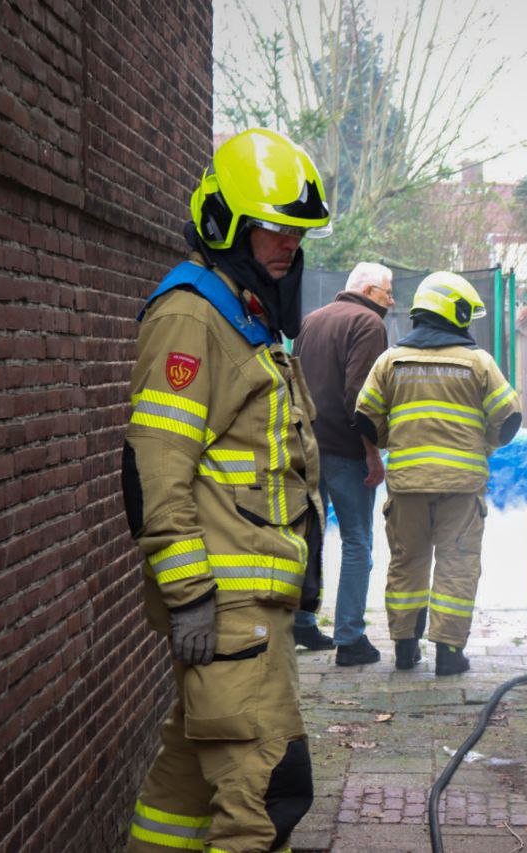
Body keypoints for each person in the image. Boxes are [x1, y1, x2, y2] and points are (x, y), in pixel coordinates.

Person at [120, 127, 330, 852]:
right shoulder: (192, 315)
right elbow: (155, 470)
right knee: (264, 800)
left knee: (183, 793)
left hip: (243, 612)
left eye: (297, 232)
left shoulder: (242, 318)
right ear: (226, 223)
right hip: (226, 611)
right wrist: (191, 596)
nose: (288, 245)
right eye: (274, 226)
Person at [354, 271, 521, 676]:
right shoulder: (478, 362)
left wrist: (393, 440)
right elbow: (510, 416)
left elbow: (364, 415)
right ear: (454, 312)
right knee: (457, 564)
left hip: (408, 484)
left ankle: (405, 649)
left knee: (407, 563)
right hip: (461, 489)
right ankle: (449, 653)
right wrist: (485, 444)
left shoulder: (391, 360)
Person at [291, 262, 394, 662]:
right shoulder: (369, 324)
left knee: (309, 535)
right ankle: (350, 638)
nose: (391, 300)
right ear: (368, 291)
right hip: (346, 451)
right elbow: (360, 396)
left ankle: (302, 622)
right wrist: (372, 451)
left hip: (306, 447)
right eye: (387, 292)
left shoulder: (311, 321)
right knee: (357, 542)